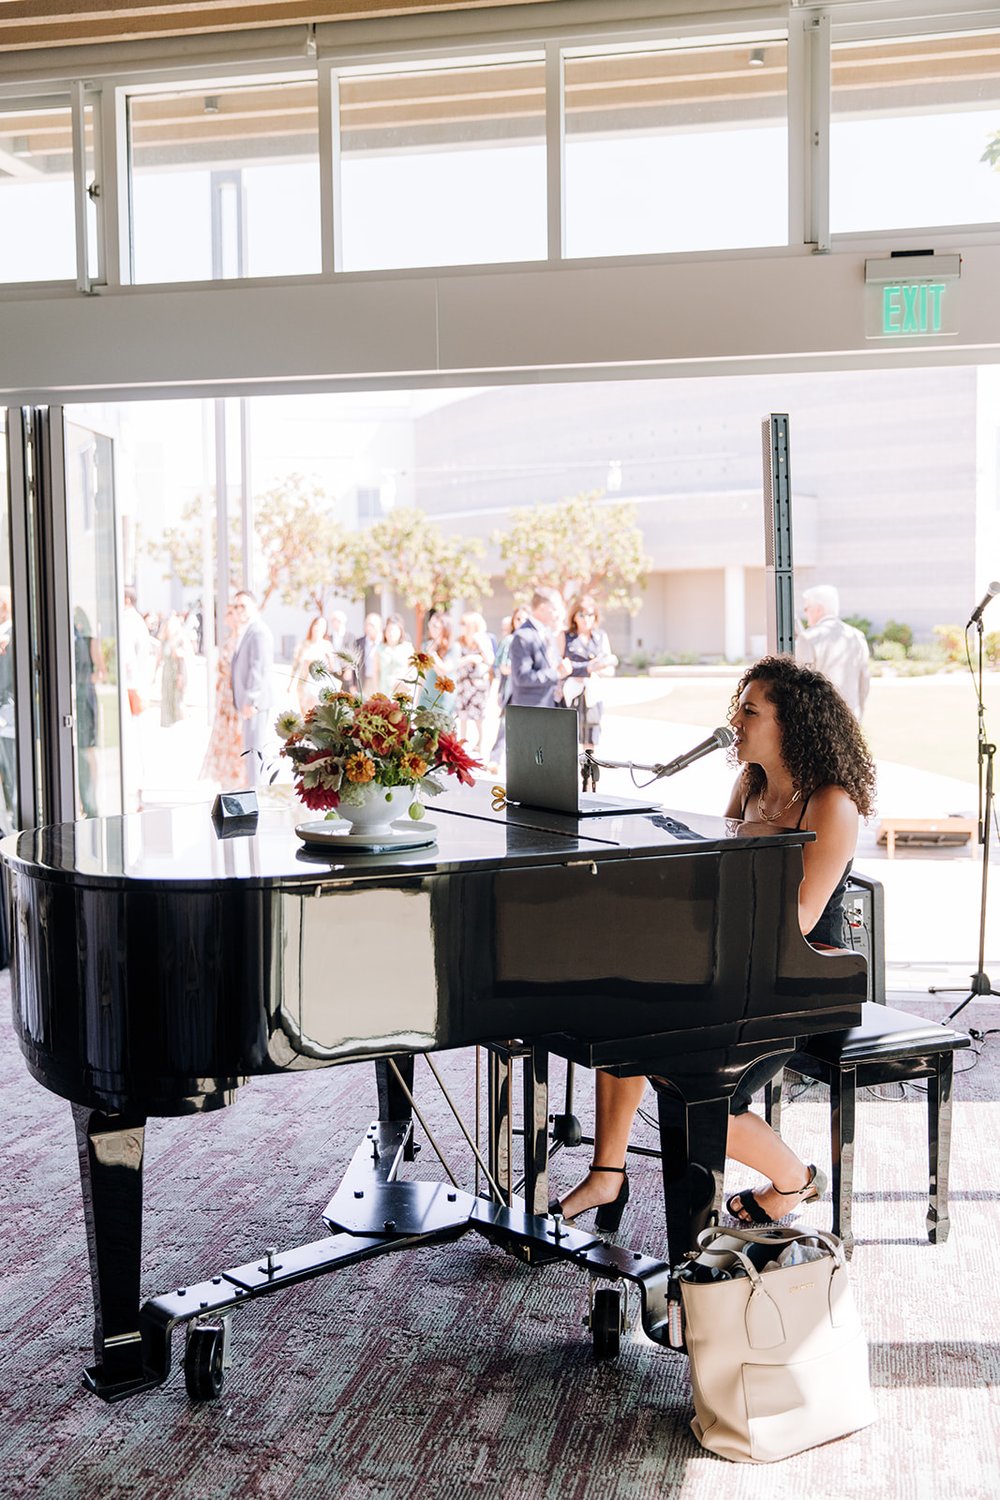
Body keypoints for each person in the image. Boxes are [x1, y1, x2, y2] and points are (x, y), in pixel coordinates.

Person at [550, 654, 877, 1232]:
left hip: (800, 976)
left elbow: (799, 918)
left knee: (691, 1083)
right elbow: (715, 871)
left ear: (793, 724)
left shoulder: (832, 803)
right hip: (735, 958)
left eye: (750, 710)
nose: (737, 721)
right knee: (621, 1011)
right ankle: (608, 1173)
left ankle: (795, 1180)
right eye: (739, 708)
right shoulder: (750, 785)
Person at [795, 584, 870, 719]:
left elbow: (801, 688)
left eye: (807, 608)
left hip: (820, 721)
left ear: (818, 609)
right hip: (852, 718)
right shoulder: (857, 636)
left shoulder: (808, 638)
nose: (805, 613)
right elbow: (864, 681)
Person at [560, 595, 618, 751]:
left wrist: (598, 668)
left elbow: (609, 667)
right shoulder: (566, 636)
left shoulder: (600, 636)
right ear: (574, 616)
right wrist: (586, 668)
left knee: (591, 735)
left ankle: (589, 771)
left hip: (593, 692)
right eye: (582, 614)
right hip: (570, 693)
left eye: (590, 614)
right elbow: (560, 666)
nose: (586, 619)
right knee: (567, 735)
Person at [231, 590, 274, 782]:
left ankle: (256, 796)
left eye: (243, 606)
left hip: (255, 704)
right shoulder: (247, 630)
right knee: (250, 752)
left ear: (254, 607)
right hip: (248, 703)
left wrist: (251, 700)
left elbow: (259, 668)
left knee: (254, 753)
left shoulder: (258, 632)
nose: (239, 610)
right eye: (236, 606)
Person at [200, 601, 245, 788]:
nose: (226, 617)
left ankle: (235, 776)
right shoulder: (230, 639)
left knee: (235, 735)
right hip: (224, 697)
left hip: (234, 697)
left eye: (229, 613)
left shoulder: (241, 640)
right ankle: (227, 776)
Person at [508, 588, 573, 709]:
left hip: (549, 705)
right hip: (530, 711)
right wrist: (556, 674)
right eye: (554, 608)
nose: (557, 613)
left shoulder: (547, 632)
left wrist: (588, 667)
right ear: (543, 608)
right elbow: (522, 677)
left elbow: (556, 664)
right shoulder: (523, 636)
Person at [485, 605, 528, 773]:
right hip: (511, 690)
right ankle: (494, 759)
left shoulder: (533, 639)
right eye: (518, 619)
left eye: (525, 619)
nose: (522, 622)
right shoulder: (509, 640)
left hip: (527, 692)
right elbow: (501, 666)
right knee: (505, 725)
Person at [453, 611, 495, 752]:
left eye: (464, 624)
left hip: (478, 684)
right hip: (462, 682)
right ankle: (462, 740)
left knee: (478, 714)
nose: (461, 627)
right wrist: (470, 659)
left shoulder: (482, 640)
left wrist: (479, 643)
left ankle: (481, 742)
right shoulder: (459, 641)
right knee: (462, 713)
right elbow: (454, 661)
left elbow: (490, 660)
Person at [288, 616, 337, 714]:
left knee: (320, 716)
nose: (319, 628)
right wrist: (290, 684)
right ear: (312, 626)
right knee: (306, 715)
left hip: (321, 686)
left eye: (323, 626)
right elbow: (295, 666)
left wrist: (330, 658)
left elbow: (332, 668)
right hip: (304, 685)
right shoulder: (303, 645)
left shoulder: (327, 645)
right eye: (317, 625)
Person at [416, 609, 458, 714]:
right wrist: (417, 696)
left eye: (435, 626)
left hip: (443, 696)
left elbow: (444, 672)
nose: (431, 628)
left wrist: (433, 654)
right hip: (426, 695)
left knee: (442, 729)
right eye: (430, 624)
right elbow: (422, 674)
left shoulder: (453, 647)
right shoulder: (426, 645)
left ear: (444, 628)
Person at [157, 612, 189, 728]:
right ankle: (168, 722)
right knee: (167, 697)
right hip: (167, 673)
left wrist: (181, 676)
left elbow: (181, 660)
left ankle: (182, 723)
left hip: (176, 672)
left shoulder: (178, 641)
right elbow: (159, 658)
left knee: (178, 699)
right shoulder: (164, 641)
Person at [377, 614, 412, 698]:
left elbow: (413, 670)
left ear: (400, 631)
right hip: (384, 690)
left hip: (402, 691)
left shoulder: (407, 647)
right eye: (389, 630)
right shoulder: (379, 648)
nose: (391, 633)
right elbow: (376, 672)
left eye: (394, 630)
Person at [359, 613, 383, 697]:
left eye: (372, 625)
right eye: (367, 624)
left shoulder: (384, 642)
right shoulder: (359, 642)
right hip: (365, 681)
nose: (369, 628)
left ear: (379, 626)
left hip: (381, 681)